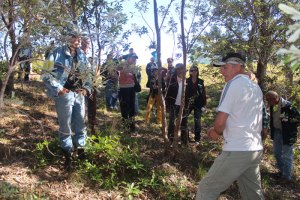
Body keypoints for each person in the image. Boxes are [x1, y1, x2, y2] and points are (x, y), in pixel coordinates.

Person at [196, 52, 264, 199]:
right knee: (253, 194)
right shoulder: (255, 87)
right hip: (254, 149)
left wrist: (215, 131)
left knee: (206, 189)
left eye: (225, 68)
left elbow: (220, 122)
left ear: (238, 67)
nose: (221, 72)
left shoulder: (233, 84)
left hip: (237, 149)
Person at [42, 29, 92, 170]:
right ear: (67, 38)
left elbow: (88, 74)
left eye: (78, 37)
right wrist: (59, 88)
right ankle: (68, 157)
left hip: (79, 95)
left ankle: (82, 154)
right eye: (74, 37)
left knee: (81, 125)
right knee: (65, 126)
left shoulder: (82, 55)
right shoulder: (55, 52)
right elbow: (45, 73)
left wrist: (87, 88)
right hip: (65, 95)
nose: (77, 40)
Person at [265, 91, 300, 181]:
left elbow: (297, 119)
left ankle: (286, 176)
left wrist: (287, 122)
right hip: (277, 132)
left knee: (287, 155)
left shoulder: (288, 106)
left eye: (269, 100)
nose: (268, 102)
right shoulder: (273, 105)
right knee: (277, 153)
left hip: (287, 134)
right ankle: (282, 171)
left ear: (275, 98)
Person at [182, 65, 207, 144]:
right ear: (190, 72)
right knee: (184, 119)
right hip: (187, 104)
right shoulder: (186, 81)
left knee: (197, 121)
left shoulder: (200, 81)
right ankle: (184, 138)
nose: (194, 72)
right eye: (192, 70)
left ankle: (197, 139)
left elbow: (203, 93)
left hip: (198, 104)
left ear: (197, 71)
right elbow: (183, 93)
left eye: (195, 70)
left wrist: (204, 104)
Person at [165, 63, 188, 145]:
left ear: (184, 70)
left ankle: (184, 142)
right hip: (173, 105)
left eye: (181, 68)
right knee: (172, 123)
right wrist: (167, 105)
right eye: (178, 69)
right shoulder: (172, 80)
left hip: (183, 106)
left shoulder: (187, 81)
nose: (180, 70)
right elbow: (168, 94)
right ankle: (171, 141)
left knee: (184, 123)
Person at [118, 53, 139, 134]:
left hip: (132, 88)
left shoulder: (134, 66)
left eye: (135, 58)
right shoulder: (122, 64)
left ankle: (132, 126)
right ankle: (125, 126)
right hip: (123, 89)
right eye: (133, 58)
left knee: (132, 107)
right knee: (124, 107)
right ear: (128, 58)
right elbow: (116, 71)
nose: (134, 60)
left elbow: (134, 77)